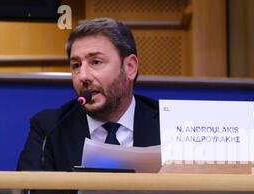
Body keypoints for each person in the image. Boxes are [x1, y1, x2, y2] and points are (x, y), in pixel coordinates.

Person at [17, 18, 160, 171]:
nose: (83, 76)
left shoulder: (167, 124)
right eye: (76, 65)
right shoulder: (50, 128)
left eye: (96, 62)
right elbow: (29, 191)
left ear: (130, 67)